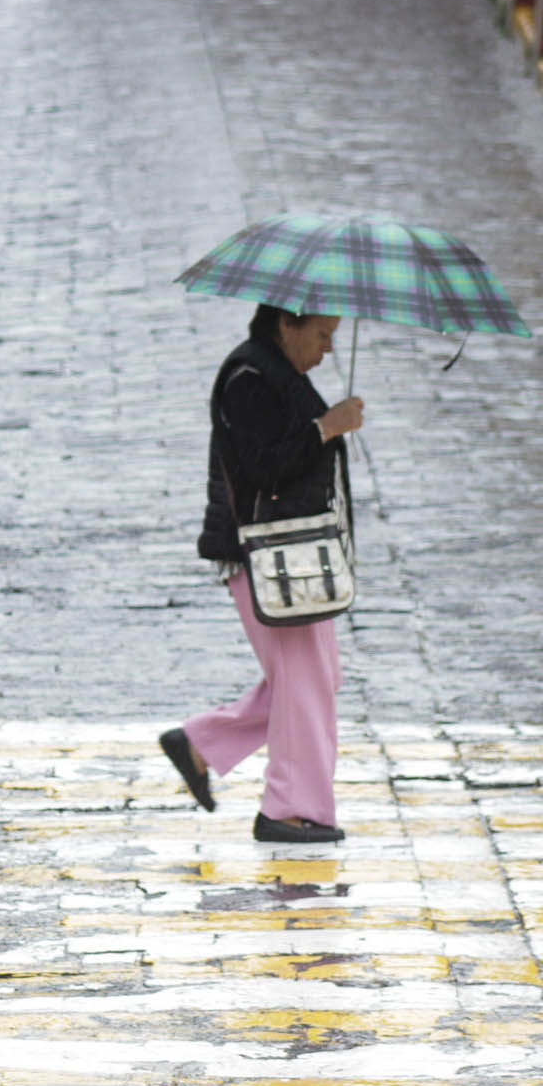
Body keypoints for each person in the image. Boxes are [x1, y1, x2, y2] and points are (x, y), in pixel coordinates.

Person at [160, 305, 365, 844]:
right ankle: (288, 808)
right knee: (305, 683)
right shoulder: (248, 377)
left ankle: (201, 743)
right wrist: (326, 427)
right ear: (286, 326)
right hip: (267, 554)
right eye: (321, 335)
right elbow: (259, 468)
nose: (326, 350)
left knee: (315, 680)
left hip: (291, 554)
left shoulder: (274, 372)